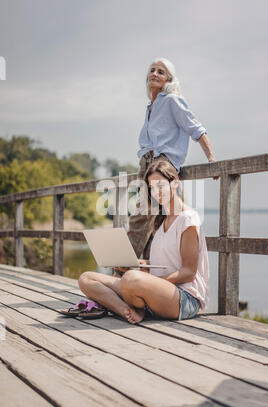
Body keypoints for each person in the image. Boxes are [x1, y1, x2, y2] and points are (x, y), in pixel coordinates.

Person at [76, 159, 210, 324]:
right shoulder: (161, 220)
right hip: (154, 290)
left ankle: (136, 304)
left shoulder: (187, 219)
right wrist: (141, 264)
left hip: (184, 298)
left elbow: (189, 272)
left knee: (131, 279)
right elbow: (165, 262)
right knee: (86, 278)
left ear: (175, 183)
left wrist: (148, 280)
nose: (155, 192)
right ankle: (126, 310)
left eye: (160, 186)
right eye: (151, 188)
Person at [126, 57, 218, 262]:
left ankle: (121, 268)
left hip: (163, 162)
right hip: (146, 163)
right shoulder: (150, 107)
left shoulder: (172, 100)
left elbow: (196, 129)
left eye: (161, 71)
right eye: (152, 70)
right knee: (159, 218)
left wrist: (211, 159)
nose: (155, 74)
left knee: (144, 214)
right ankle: (154, 269)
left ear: (169, 79)